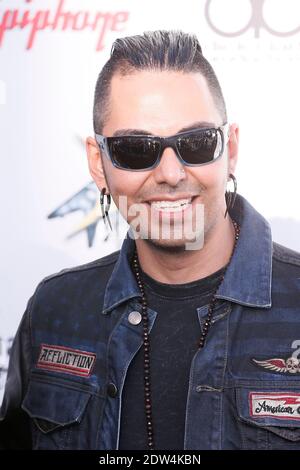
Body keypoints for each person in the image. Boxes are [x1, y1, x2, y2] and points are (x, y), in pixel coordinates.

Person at [1, 29, 300, 451]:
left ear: (229, 149)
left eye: (196, 143)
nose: (171, 174)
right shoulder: (54, 313)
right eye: (136, 149)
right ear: (98, 163)